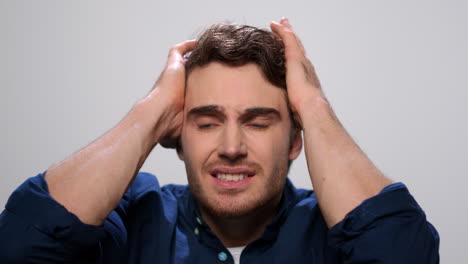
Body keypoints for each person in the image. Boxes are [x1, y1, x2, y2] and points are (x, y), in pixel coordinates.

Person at [0, 18, 439, 263]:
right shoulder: (130, 210)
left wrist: (316, 108)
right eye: (207, 122)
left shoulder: (333, 232)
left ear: (295, 142)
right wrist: (150, 111)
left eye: (259, 122)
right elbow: (19, 248)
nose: (231, 146)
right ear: (178, 135)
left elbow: (405, 255)